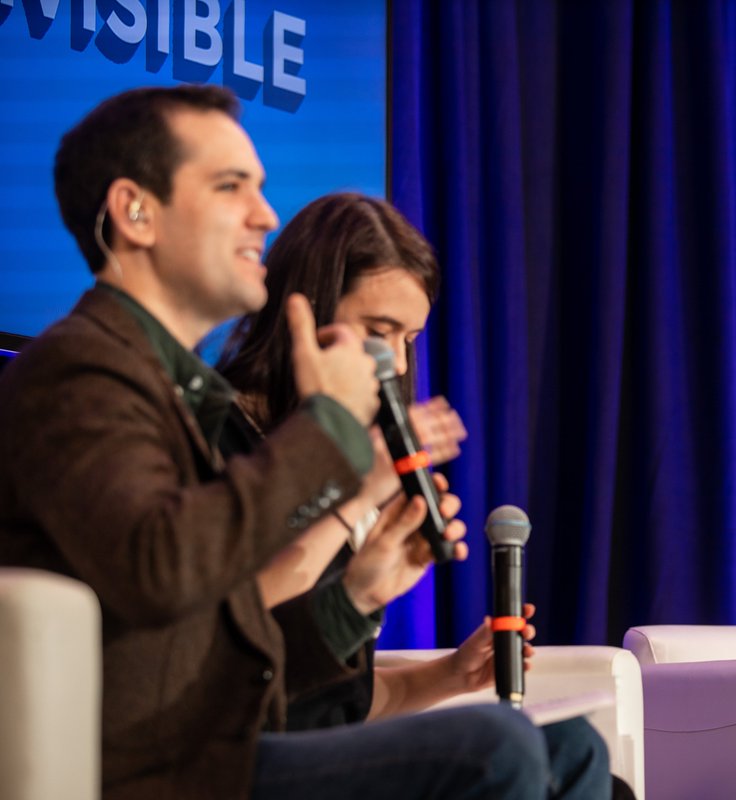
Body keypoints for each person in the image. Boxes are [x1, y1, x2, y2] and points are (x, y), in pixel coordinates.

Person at [0, 84, 603, 799]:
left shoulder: (168, 390)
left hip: (214, 746)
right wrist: (331, 437)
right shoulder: (80, 369)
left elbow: (237, 646)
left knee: (574, 751)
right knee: (496, 750)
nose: (265, 214)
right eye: (231, 187)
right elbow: (162, 567)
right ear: (136, 212)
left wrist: (359, 593)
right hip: (163, 772)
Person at [216, 191, 617, 796]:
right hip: (242, 754)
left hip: (323, 746)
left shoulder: (355, 457)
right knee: (499, 750)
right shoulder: (223, 437)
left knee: (581, 754)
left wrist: (451, 675)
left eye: (409, 339)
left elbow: (336, 700)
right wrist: (352, 496)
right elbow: (239, 664)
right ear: (307, 309)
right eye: (378, 333)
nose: (395, 363)